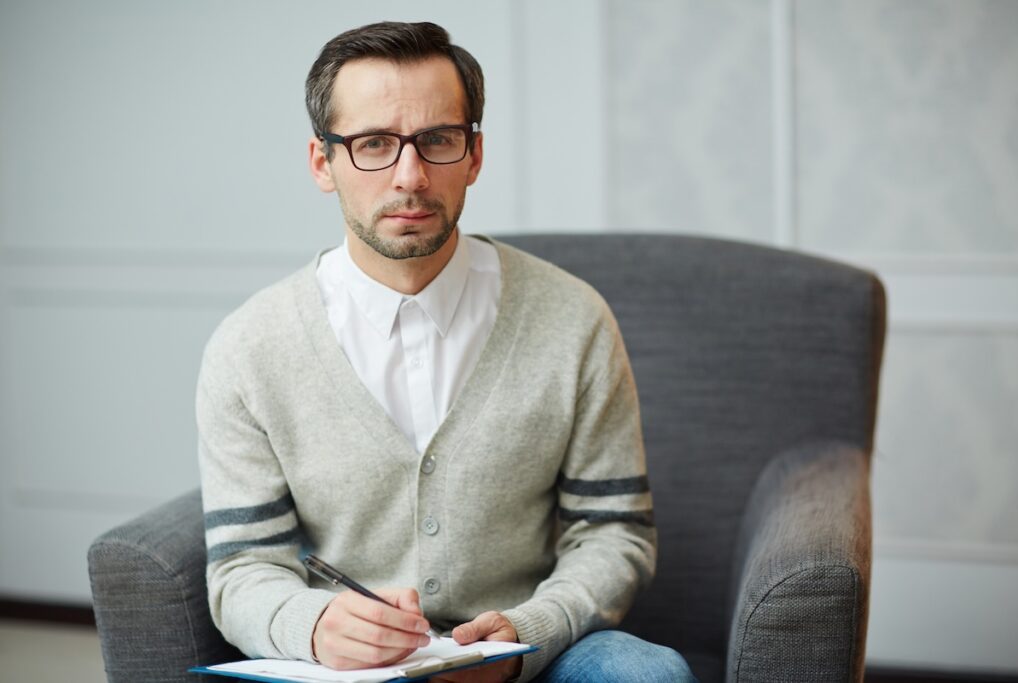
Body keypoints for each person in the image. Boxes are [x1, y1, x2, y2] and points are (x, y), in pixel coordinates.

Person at [196, 21, 696, 683]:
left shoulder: (575, 318)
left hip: (531, 655)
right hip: (342, 670)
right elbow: (241, 566)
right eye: (374, 143)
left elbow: (614, 533)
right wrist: (312, 624)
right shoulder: (249, 347)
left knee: (648, 675)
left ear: (475, 156)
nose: (410, 175)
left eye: (437, 141)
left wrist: (529, 631)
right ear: (324, 162)